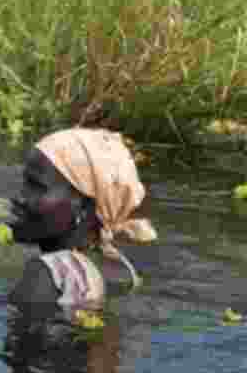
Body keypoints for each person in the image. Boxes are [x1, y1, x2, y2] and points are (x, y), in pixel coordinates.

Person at [8, 127, 158, 309]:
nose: (20, 197)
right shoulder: (123, 271)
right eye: (25, 183)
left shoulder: (47, 274)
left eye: (37, 187)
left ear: (84, 207)